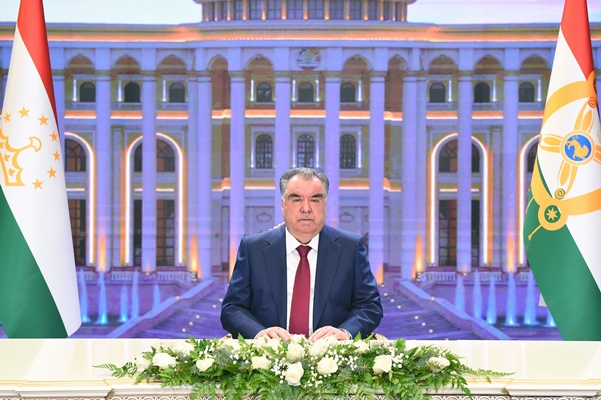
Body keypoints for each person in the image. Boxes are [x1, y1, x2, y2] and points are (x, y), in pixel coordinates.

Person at [220, 167, 383, 340]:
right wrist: (258, 333)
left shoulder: (350, 248)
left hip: (333, 353)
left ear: (325, 205)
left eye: (315, 200)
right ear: (283, 205)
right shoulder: (254, 249)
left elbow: (369, 306)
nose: (306, 208)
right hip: (268, 352)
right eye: (297, 200)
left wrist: (345, 332)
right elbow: (232, 308)